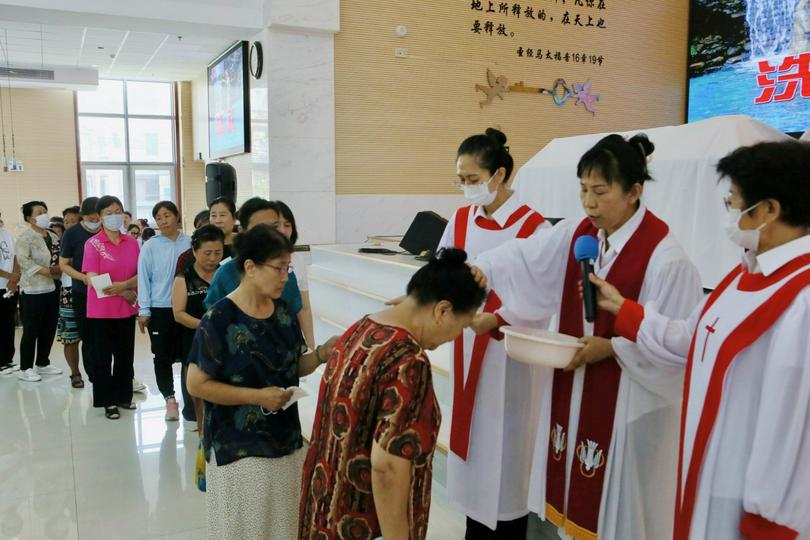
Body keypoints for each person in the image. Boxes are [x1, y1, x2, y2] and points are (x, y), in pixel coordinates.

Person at [472, 134, 703, 540]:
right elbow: (531, 256)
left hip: (632, 407)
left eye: (600, 191)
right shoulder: (583, 235)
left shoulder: (667, 260)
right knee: (575, 505)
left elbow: (677, 348)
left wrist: (611, 347)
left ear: (634, 191)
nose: (589, 203)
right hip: (578, 389)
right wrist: (484, 268)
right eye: (582, 190)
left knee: (621, 516)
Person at [588, 140, 810, 540]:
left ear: (770, 210)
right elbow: (690, 340)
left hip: (753, 503)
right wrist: (625, 310)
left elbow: (796, 425)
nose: (729, 215)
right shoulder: (743, 274)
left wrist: (771, 522)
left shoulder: (802, 299)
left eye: (734, 203)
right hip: (708, 475)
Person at [299, 248, 487, 540]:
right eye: (461, 326)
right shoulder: (408, 361)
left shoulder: (359, 328)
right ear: (442, 310)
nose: (455, 337)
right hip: (362, 525)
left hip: (323, 513)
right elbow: (387, 466)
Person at [433, 128, 552, 539]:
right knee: (476, 454)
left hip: (511, 356)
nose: (466, 189)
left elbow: (543, 297)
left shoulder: (533, 227)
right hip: (469, 347)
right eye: (460, 180)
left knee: (507, 455)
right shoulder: (462, 219)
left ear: (498, 175)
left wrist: (499, 321)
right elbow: (443, 270)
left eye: (472, 179)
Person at [186, 225, 338, 540]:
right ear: (250, 267)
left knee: (284, 528)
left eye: (289, 268)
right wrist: (256, 396)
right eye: (279, 268)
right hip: (239, 447)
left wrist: (322, 353)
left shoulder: (282, 313)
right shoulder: (220, 318)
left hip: (285, 441)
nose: (286, 277)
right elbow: (196, 384)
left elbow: (294, 365)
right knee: (245, 531)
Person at [83, 195, 139, 420]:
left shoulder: (132, 242)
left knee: (125, 356)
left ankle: (124, 396)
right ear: (100, 217)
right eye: (109, 212)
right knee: (103, 358)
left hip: (126, 307)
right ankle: (108, 402)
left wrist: (126, 288)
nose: (114, 216)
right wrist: (121, 290)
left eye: (118, 211)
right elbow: (92, 278)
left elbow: (140, 274)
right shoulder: (93, 244)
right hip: (101, 310)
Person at [203, 198, 302, 317]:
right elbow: (214, 321)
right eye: (261, 228)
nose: (270, 234)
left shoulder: (287, 275)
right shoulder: (225, 274)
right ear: (243, 232)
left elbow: (294, 317)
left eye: (274, 226)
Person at [138, 201, 191, 421]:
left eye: (167, 215)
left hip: (187, 308)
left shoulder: (190, 242)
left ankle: (191, 401)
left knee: (189, 356)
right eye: (158, 217)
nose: (163, 221)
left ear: (177, 216)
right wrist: (144, 309)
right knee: (162, 356)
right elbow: (143, 278)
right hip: (160, 309)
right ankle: (170, 399)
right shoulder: (150, 246)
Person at [172, 224, 224, 430]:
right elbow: (178, 314)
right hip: (195, 341)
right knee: (198, 389)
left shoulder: (227, 274)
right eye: (207, 253)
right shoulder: (184, 278)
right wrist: (206, 326)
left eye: (218, 252)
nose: (213, 258)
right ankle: (203, 430)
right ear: (194, 251)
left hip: (225, 340)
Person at [15, 201, 63, 382]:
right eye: (39, 212)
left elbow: (60, 256)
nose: (44, 214)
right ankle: (25, 367)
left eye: (45, 211)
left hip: (53, 287)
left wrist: (59, 270)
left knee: (49, 327)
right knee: (31, 329)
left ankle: (43, 363)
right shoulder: (25, 237)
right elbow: (24, 261)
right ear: (30, 218)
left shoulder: (52, 235)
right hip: (33, 289)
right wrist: (47, 271)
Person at [274, 200, 316, 348]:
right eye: (276, 225)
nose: (283, 230)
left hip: (290, 337)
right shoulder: (254, 262)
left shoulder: (297, 260)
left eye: (287, 225)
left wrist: (311, 345)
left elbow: (304, 307)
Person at [174, 197, 237, 281]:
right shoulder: (189, 255)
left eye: (222, 215)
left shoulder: (247, 247)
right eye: (213, 215)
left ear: (234, 218)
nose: (218, 220)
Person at [55, 206, 83, 387]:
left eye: (73, 221)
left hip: (88, 290)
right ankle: (75, 373)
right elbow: (56, 268)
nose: (69, 225)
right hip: (68, 292)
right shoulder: (60, 242)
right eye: (66, 222)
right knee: (70, 337)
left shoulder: (90, 239)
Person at [0, 211, 21, 374]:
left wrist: (14, 280)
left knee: (8, 324)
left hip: (9, 287)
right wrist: (9, 276)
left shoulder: (6, 233)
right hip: (4, 281)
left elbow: (15, 257)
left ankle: (7, 359)